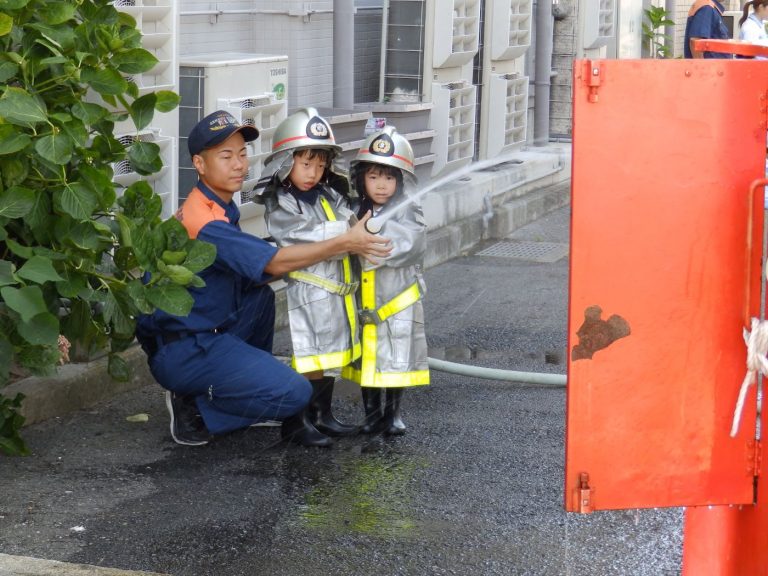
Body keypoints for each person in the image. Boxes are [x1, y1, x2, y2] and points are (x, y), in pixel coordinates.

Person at [135, 110, 390, 448]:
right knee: (294, 394)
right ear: (199, 163)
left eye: (242, 154)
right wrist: (343, 243)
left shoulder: (219, 205)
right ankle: (197, 406)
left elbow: (259, 268)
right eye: (226, 156)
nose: (239, 164)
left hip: (202, 332)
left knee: (260, 298)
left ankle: (241, 386)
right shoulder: (205, 221)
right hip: (187, 348)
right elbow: (271, 263)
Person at [258, 107, 362, 446]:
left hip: (336, 290)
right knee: (309, 353)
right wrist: (347, 230)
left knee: (328, 355)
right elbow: (298, 235)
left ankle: (321, 415)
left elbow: (349, 220)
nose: (313, 172)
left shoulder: (329, 194)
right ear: (286, 161)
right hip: (309, 289)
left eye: (320, 165)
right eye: (306, 164)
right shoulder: (282, 202)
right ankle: (295, 421)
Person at [341, 126, 430, 436]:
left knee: (396, 359)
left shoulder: (409, 212)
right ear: (361, 178)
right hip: (364, 301)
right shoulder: (352, 211)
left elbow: (411, 245)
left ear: (401, 181)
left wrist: (369, 241)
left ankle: (392, 415)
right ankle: (370, 415)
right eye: (374, 177)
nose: (381, 185)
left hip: (398, 301)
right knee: (368, 359)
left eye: (389, 178)